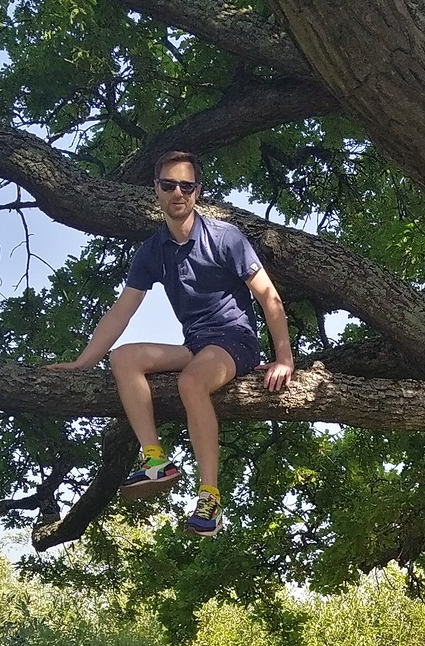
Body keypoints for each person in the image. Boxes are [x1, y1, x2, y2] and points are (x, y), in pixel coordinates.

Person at [45, 150, 294, 536]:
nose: (178, 192)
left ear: (197, 192)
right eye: (169, 185)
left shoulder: (225, 237)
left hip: (235, 340)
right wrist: (82, 363)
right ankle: (155, 461)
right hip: (197, 343)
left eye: (186, 185)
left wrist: (284, 359)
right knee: (124, 358)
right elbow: (121, 313)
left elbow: (269, 297)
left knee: (190, 382)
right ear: (156, 190)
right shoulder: (152, 251)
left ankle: (210, 499)